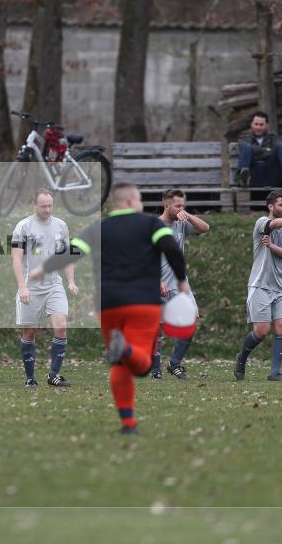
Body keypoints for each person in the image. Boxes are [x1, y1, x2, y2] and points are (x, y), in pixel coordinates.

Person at [30, 182, 189, 435]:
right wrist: (181, 282)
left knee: (120, 365)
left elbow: (73, 250)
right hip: (143, 303)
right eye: (138, 199)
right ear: (128, 201)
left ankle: (128, 423)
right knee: (142, 364)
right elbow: (171, 249)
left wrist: (45, 267)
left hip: (108, 305)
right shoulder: (151, 224)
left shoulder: (98, 228)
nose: (141, 204)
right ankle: (124, 348)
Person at [11, 189, 78, 387]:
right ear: (35, 205)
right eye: (43, 206)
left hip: (54, 285)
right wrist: (22, 287)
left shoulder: (61, 226)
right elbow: (16, 259)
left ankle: (53, 375)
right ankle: (30, 378)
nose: (48, 210)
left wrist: (71, 281)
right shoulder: (23, 227)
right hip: (31, 287)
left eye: (50, 205)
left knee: (61, 326)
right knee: (29, 333)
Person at [235, 190, 282, 382]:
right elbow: (272, 225)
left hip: (281, 286)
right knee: (261, 331)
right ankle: (241, 359)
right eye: (281, 205)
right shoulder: (261, 222)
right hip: (260, 285)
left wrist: (272, 246)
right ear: (271, 207)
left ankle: (275, 373)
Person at [149, 189, 210, 380]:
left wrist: (188, 216)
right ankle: (155, 368)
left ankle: (174, 363)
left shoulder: (182, 223)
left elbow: (205, 228)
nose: (181, 208)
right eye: (178, 205)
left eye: (183, 205)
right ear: (166, 205)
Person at [236, 112, 282, 189]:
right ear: (251, 124)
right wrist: (267, 150)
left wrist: (255, 150)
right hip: (253, 176)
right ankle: (243, 178)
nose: (258, 127)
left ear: (267, 125)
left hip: (271, 174)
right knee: (246, 147)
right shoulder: (244, 139)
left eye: (261, 125)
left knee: (281, 145)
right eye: (256, 124)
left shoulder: (273, 138)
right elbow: (247, 149)